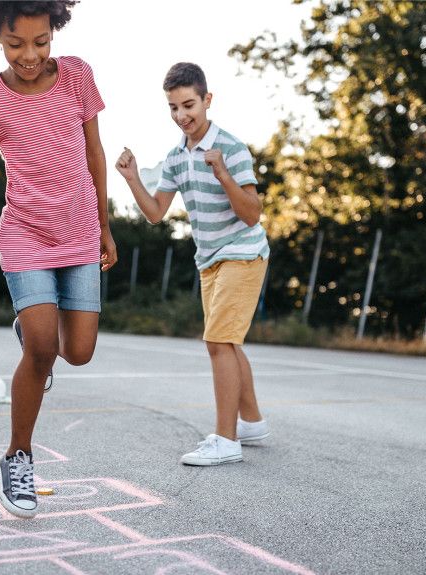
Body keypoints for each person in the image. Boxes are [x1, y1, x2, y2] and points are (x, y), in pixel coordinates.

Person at [0, 0, 117, 518]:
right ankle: (18, 456)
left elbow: (95, 153)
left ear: (54, 31)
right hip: (24, 233)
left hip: (80, 231)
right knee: (44, 348)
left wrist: (105, 224)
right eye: (15, 43)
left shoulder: (77, 76)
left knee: (80, 351)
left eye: (40, 42)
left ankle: (33, 334)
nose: (29, 54)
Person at [115, 63, 270, 466]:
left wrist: (222, 173)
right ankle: (250, 421)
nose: (182, 115)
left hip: (243, 252)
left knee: (217, 342)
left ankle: (226, 440)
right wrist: (132, 179)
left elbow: (252, 214)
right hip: (209, 259)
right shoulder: (175, 158)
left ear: (207, 100)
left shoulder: (231, 148)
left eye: (189, 105)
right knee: (228, 341)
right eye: (173, 107)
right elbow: (155, 213)